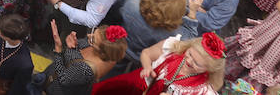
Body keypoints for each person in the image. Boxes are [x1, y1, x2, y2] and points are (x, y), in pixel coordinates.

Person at [93, 33, 226, 95]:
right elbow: (146, 53)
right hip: (133, 86)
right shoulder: (173, 47)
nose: (189, 61)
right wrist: (147, 67)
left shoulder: (204, 92)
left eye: (198, 64)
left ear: (209, 69)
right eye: (190, 54)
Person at [114, 0, 186, 53]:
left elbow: (110, 12)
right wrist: (192, 16)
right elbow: (187, 41)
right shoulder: (169, 35)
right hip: (136, 58)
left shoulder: (131, 2)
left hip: (115, 43)